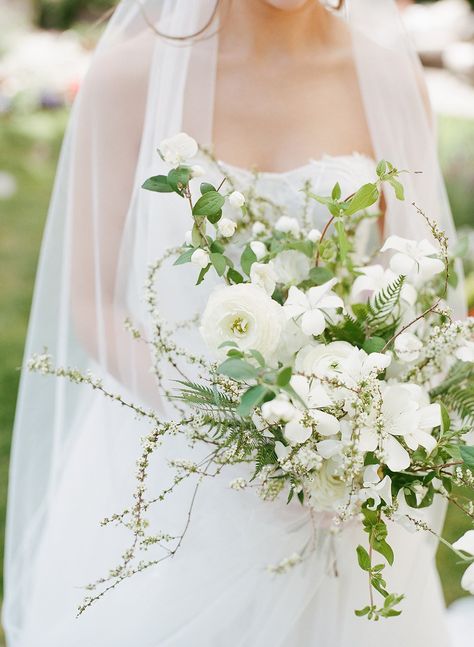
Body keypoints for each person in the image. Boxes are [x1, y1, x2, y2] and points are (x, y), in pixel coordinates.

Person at [3, 1, 466, 645]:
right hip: (174, 464)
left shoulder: (386, 77)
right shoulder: (129, 77)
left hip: (334, 487)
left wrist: (343, 432)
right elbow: (95, 303)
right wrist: (231, 429)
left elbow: (417, 294)